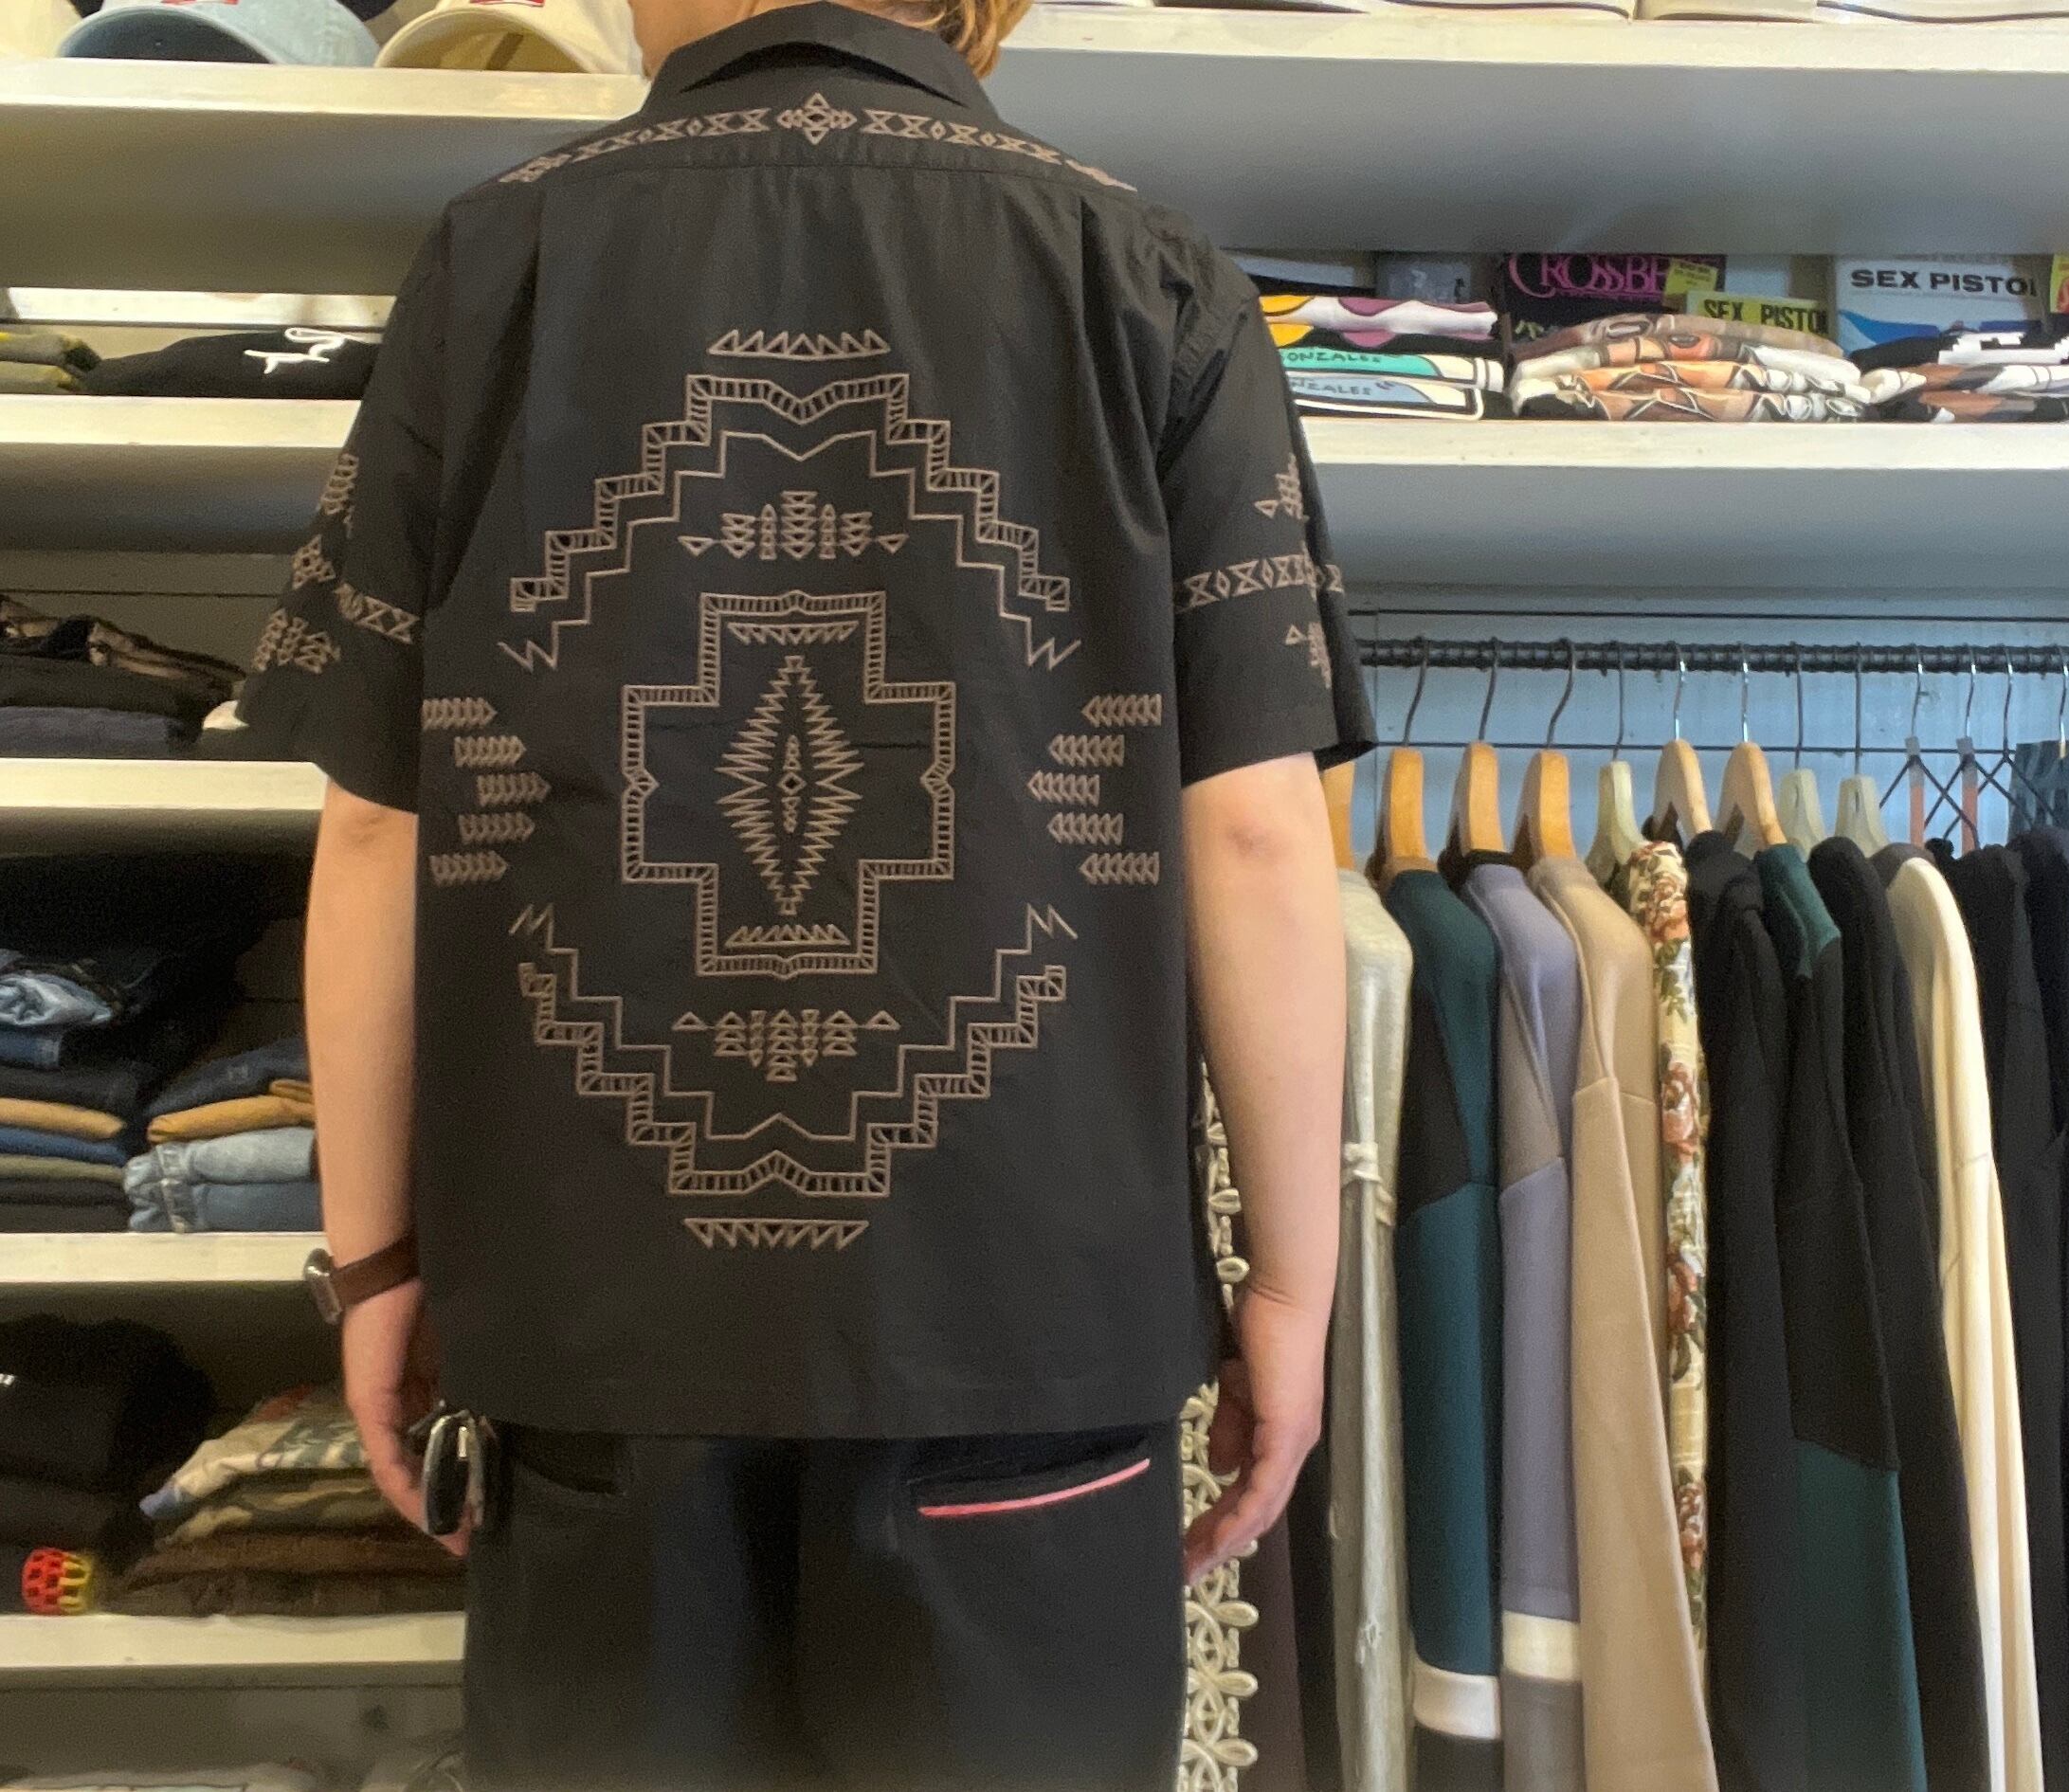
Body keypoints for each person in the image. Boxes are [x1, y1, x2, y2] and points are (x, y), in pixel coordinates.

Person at [239, 0, 1370, 1782]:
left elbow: (380, 823)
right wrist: (1289, 1290)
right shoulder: (1146, 274)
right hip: (1026, 1330)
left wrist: (371, 1260)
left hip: (595, 1326)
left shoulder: (494, 262)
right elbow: (1253, 834)